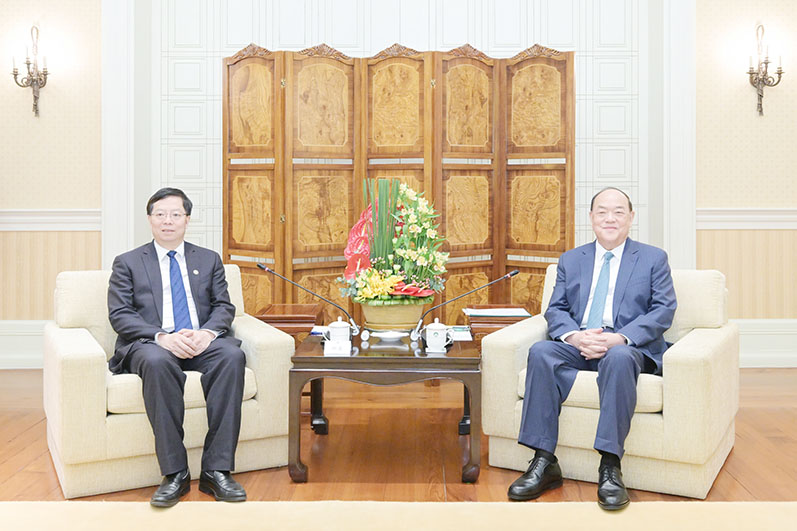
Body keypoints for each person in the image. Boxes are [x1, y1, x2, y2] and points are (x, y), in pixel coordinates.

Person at [507, 187, 676, 511]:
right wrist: (575, 337)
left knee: (619, 358)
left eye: (618, 212)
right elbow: (556, 309)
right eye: (602, 212)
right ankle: (544, 461)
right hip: (580, 342)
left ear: (631, 217)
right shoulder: (571, 260)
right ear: (591, 217)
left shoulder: (653, 258)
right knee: (541, 352)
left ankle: (610, 466)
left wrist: (621, 338)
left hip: (626, 346)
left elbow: (663, 310)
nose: (610, 218)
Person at [108, 188, 248, 507]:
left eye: (175, 214)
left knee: (231, 355)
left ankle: (216, 470)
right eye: (160, 214)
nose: (167, 221)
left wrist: (207, 334)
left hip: (200, 341)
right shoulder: (128, 262)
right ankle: (175, 474)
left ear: (187, 219)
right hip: (152, 344)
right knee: (157, 362)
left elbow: (223, 306)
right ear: (150, 220)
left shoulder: (208, 259)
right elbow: (120, 315)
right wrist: (162, 337)